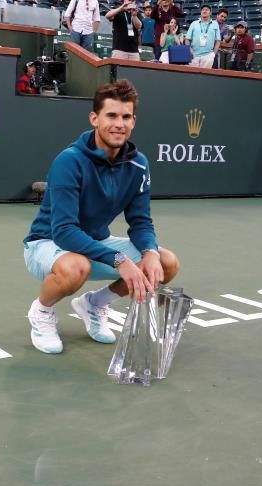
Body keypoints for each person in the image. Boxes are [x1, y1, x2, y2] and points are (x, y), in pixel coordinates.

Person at [22, 79, 180, 355]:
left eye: (126, 117)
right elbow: (64, 231)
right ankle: (41, 312)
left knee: (165, 263)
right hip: (46, 245)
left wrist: (150, 251)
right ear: (95, 119)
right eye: (111, 116)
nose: (119, 124)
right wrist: (120, 261)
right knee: (75, 268)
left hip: (95, 244)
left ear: (134, 122)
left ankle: (94, 303)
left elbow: (140, 221)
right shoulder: (69, 161)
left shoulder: (139, 164)